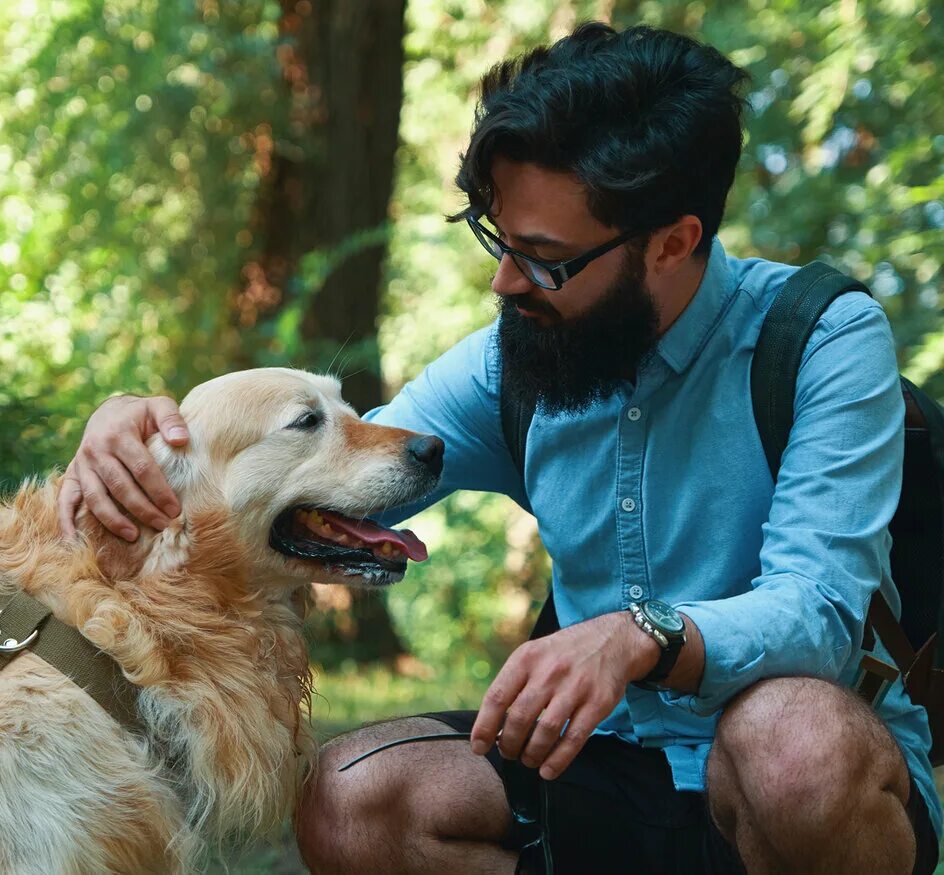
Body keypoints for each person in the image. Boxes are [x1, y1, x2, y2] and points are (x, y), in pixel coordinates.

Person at [57, 22, 940, 875]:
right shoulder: (514, 353)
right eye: (497, 238)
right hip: (600, 760)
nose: (504, 281)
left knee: (792, 749)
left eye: (544, 258)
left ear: (673, 244)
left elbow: (819, 611)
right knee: (350, 797)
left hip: (792, 771)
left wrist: (637, 636)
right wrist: (139, 426)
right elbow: (319, 464)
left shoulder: (820, 338)